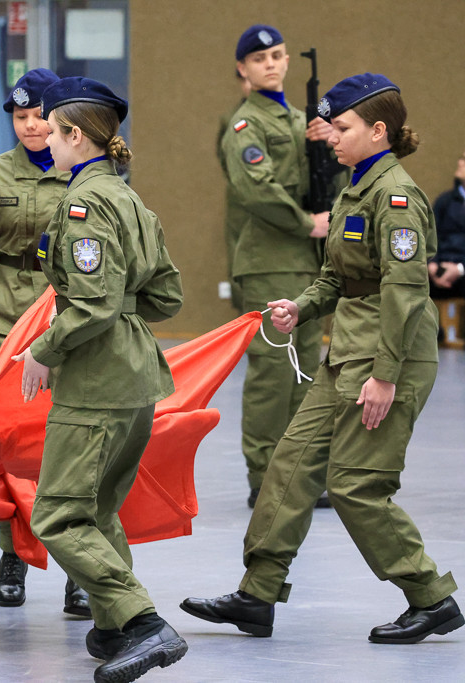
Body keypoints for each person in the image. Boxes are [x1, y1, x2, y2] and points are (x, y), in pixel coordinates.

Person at [181, 73, 463, 646]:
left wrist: (386, 377)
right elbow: (338, 275)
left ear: (377, 130)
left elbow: (407, 295)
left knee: (357, 484)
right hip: (349, 352)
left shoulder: (396, 197)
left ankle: (430, 596)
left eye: (342, 127)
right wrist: (301, 309)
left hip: (392, 356)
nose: (330, 137)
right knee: (289, 467)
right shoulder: (354, 188)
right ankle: (257, 595)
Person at [14, 76, 186, 682]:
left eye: (51, 129)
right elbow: (166, 294)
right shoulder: (131, 200)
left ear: (76, 136)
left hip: (95, 381)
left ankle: (143, 625)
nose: (44, 139)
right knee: (100, 509)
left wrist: (44, 349)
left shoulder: (83, 205)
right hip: (135, 378)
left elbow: (93, 304)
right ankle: (114, 625)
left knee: (58, 514)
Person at [0, 68, 89, 615]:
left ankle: (81, 568)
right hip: (5, 321)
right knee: (11, 447)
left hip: (65, 318)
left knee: (74, 446)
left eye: (39, 117)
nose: (30, 126)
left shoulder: (85, 175)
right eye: (20, 117)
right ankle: (14, 556)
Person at [221, 24, 333, 508]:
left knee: (307, 371)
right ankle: (263, 474)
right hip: (269, 262)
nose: (271, 62)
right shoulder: (245, 126)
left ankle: (301, 473)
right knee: (272, 373)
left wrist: (329, 145)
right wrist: (307, 223)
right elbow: (257, 188)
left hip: (306, 265)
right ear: (242, 69)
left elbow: (327, 180)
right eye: (260, 57)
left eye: (278, 55)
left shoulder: (300, 121)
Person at [218, 71, 252, 312]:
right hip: (242, 204)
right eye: (245, 80)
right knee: (240, 265)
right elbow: (225, 160)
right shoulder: (232, 119)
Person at [428, 149, 465, 298]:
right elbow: (430, 235)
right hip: (440, 266)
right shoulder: (445, 201)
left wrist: (460, 269)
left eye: (464, 160)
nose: (460, 163)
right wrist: (431, 264)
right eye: (461, 158)